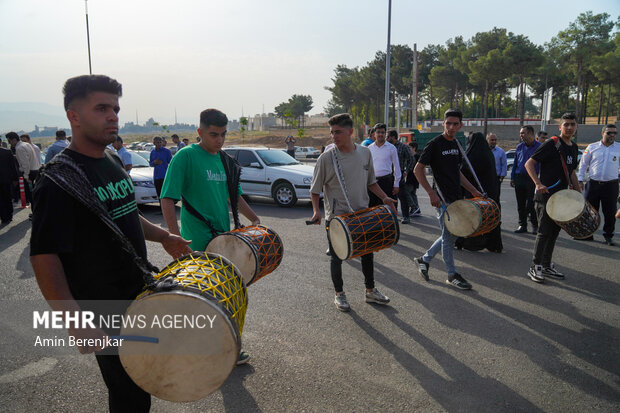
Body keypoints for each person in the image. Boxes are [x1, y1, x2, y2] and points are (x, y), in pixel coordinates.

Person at [29, 74, 192, 413]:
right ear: (74, 116)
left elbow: (126, 214)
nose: (113, 116)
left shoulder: (113, 161)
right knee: (128, 390)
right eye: (101, 108)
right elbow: (44, 257)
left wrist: (164, 236)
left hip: (138, 294)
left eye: (115, 108)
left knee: (143, 379)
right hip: (103, 307)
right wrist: (74, 320)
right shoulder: (57, 180)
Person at [160, 109, 260, 364]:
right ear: (200, 132)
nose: (220, 140)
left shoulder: (224, 160)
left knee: (230, 293)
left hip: (223, 241)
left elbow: (234, 196)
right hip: (196, 240)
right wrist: (173, 235)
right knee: (205, 297)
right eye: (214, 134)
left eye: (224, 134)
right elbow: (168, 197)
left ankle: (226, 347)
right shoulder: (186, 156)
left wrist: (254, 219)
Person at [309, 113, 395, 312]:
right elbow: (315, 190)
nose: (334, 136)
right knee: (337, 257)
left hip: (362, 214)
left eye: (338, 132)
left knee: (367, 253)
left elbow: (371, 182)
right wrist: (316, 211)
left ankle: (370, 291)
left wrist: (385, 198)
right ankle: (339, 294)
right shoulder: (326, 158)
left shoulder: (365, 153)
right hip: (337, 218)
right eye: (332, 132)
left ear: (350, 132)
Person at [413, 109, 482, 290]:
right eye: (448, 123)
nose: (451, 127)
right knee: (449, 237)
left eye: (455, 124)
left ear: (460, 125)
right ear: (443, 124)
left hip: (456, 198)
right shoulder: (434, 144)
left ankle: (424, 259)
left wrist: (474, 190)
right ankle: (452, 274)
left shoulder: (458, 144)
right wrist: (430, 193)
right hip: (442, 199)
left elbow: (457, 173)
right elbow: (417, 170)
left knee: (448, 236)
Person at [525, 112, 581, 283]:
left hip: (562, 199)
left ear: (576, 126)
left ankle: (546, 265)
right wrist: (538, 183)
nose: (569, 127)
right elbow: (529, 163)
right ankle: (535, 267)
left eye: (572, 124)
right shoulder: (552, 143)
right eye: (566, 124)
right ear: (560, 127)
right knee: (543, 232)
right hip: (546, 197)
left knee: (554, 233)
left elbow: (571, 172)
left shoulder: (573, 147)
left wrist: (579, 193)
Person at [455, 132, 503, 253]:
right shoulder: (489, 155)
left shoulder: (470, 156)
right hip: (490, 192)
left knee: (472, 218)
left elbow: (462, 174)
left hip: (474, 194)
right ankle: (494, 245)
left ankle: (467, 243)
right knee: (490, 217)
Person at [577, 124, 619, 245]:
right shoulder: (592, 147)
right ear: (602, 133)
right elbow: (583, 164)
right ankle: (587, 234)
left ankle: (608, 236)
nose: (612, 135)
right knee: (589, 211)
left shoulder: (618, 148)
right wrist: (580, 180)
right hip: (593, 184)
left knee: (610, 212)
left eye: (614, 133)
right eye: (609, 133)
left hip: (611, 185)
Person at [511, 126, 540, 234]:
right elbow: (515, 163)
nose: (521, 135)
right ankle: (522, 225)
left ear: (530, 133)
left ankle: (535, 225)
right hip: (520, 177)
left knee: (531, 204)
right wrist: (513, 177)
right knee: (521, 203)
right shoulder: (519, 147)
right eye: (520, 133)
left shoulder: (539, 147)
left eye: (523, 133)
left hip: (533, 178)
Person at [368, 123, 400, 207]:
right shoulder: (369, 149)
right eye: (378, 132)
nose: (380, 134)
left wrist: (396, 184)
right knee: (372, 209)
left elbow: (397, 166)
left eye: (382, 132)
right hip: (373, 182)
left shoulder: (391, 148)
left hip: (387, 182)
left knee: (387, 208)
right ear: (374, 134)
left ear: (385, 134)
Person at [386, 129, 413, 223]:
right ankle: (394, 215)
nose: (386, 138)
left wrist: (406, 171)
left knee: (402, 196)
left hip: (399, 173)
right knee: (391, 196)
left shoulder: (403, 147)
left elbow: (411, 159)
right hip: (388, 174)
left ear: (393, 137)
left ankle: (406, 216)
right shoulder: (387, 147)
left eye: (388, 136)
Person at [6, 131, 38, 205]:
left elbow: (25, 164)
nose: (9, 143)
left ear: (13, 139)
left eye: (9, 141)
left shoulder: (19, 148)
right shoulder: (26, 144)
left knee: (30, 195)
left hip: (29, 173)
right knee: (33, 194)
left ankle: (35, 214)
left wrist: (26, 176)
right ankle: (36, 213)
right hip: (35, 170)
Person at [0, 138, 19, 224]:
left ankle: (3, 216)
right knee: (7, 197)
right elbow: (13, 167)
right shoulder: (7, 152)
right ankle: (8, 216)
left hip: (5, 179)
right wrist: (15, 178)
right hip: (6, 179)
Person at [487, 132, 507, 201]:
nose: (494, 142)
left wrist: (501, 178)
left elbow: (504, 165)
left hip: (496, 178)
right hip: (486, 178)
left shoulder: (501, 151)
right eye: (492, 140)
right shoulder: (484, 151)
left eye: (495, 140)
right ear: (487, 140)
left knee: (495, 199)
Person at [405, 142, 421, 217]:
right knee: (413, 193)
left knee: (406, 192)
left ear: (414, 148)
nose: (408, 149)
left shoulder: (417, 157)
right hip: (411, 177)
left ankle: (414, 207)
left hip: (414, 178)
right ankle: (417, 209)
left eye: (409, 148)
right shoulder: (410, 156)